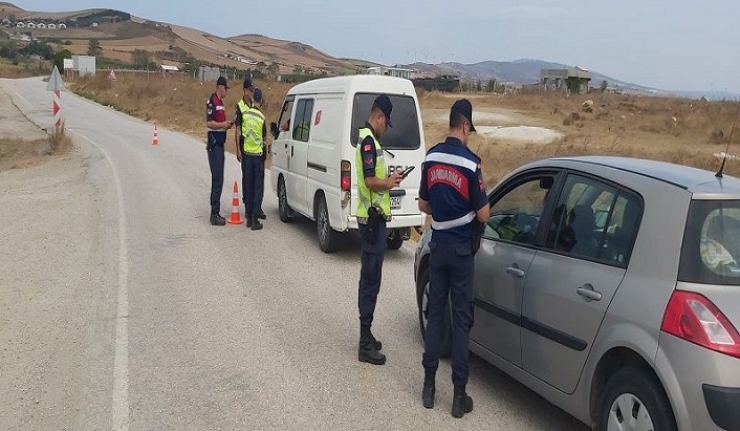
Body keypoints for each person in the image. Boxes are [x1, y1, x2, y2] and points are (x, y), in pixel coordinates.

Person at [418, 99, 490, 418]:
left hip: (438, 247)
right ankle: (459, 397)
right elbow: (484, 213)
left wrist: (444, 211)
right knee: (461, 321)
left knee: (436, 315)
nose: (469, 135)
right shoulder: (471, 164)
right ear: (464, 126)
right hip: (462, 253)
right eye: (470, 130)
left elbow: (423, 203)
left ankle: (429, 387)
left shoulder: (430, 158)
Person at [355, 94, 404, 366]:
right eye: (387, 122)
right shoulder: (368, 144)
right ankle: (364, 342)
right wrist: (390, 182)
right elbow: (371, 181)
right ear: (379, 117)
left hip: (375, 220)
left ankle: (367, 334)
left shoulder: (372, 142)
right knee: (370, 280)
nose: (387, 128)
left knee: (372, 278)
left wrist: (389, 181)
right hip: (372, 222)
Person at [237, 86, 267, 230]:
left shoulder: (245, 114)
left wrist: (240, 150)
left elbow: (241, 134)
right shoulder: (262, 118)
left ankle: (248, 216)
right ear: (260, 100)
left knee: (248, 186)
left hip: (247, 155)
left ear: (253, 98)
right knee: (257, 188)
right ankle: (255, 219)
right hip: (257, 157)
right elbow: (264, 138)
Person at [205, 76, 234, 226]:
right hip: (214, 145)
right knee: (217, 179)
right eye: (226, 88)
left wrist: (226, 124)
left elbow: (219, 122)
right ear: (220, 87)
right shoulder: (212, 102)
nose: (227, 91)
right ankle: (214, 213)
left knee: (220, 179)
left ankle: (216, 211)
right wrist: (223, 124)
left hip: (220, 145)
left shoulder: (220, 103)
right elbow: (209, 122)